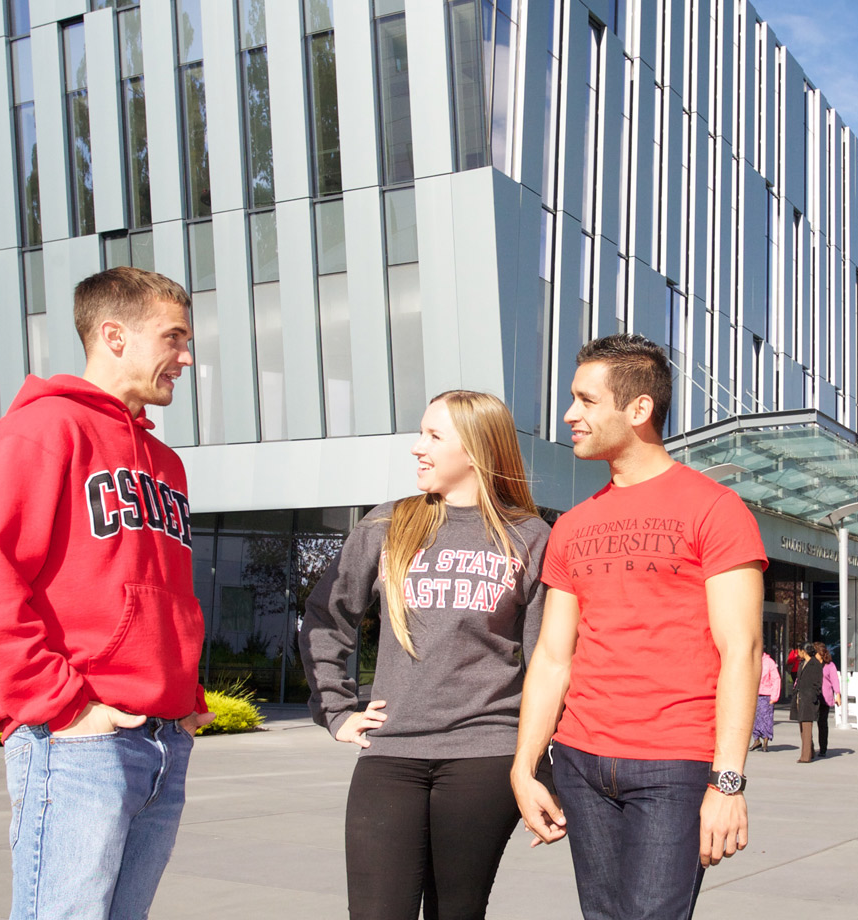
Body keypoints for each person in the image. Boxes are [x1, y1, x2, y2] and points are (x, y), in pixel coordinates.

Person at [0, 267, 215, 920]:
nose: (186, 356)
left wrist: (183, 695)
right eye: (173, 338)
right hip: (77, 740)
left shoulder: (164, 464)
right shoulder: (43, 432)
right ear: (114, 335)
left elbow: (157, 593)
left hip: (159, 740)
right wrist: (63, 706)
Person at [511, 334, 767, 920]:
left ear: (639, 410)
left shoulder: (715, 509)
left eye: (585, 400)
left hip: (673, 765)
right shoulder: (572, 525)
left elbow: (742, 650)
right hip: (578, 758)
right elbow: (553, 656)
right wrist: (525, 765)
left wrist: (727, 784)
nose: (570, 415)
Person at [300, 390, 550, 920]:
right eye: (421, 433)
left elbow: (546, 661)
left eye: (434, 436)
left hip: (485, 755)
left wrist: (539, 765)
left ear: (478, 449)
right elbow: (327, 615)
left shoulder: (529, 537)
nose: (417, 447)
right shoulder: (389, 523)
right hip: (391, 752)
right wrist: (337, 710)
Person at [790, 646, 824, 763]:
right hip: (800, 697)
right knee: (802, 726)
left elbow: (818, 683)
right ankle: (811, 751)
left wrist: (813, 695)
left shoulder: (815, 664)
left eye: (799, 650)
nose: (797, 653)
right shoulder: (802, 663)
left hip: (809, 699)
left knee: (807, 727)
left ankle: (805, 756)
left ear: (804, 651)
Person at [815, 643, 841, 758]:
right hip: (813, 696)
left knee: (822, 723)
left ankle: (823, 748)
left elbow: (835, 680)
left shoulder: (830, 665)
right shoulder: (812, 664)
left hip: (825, 697)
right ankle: (809, 747)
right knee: (810, 722)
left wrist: (838, 694)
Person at [752, 651, 780, 752]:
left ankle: (765, 740)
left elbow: (776, 679)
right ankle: (756, 739)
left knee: (766, 718)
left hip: (766, 694)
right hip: (754, 694)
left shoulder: (769, 662)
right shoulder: (752, 660)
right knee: (754, 719)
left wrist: (774, 696)